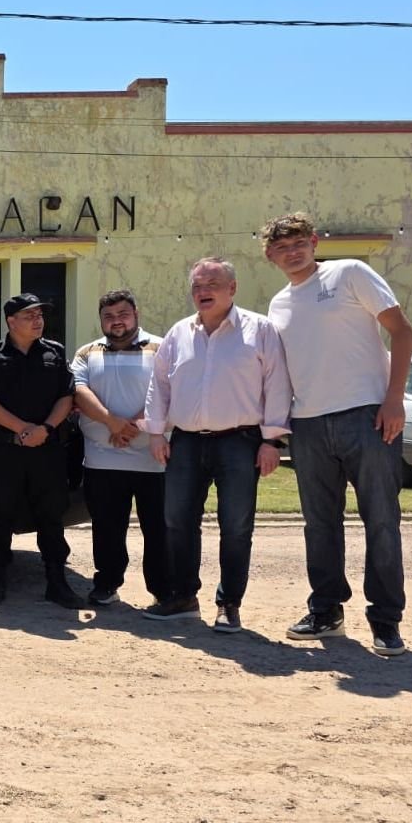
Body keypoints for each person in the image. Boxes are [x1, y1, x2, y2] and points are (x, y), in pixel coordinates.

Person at [262, 212, 412, 656]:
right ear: (271, 256)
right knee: (320, 524)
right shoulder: (278, 304)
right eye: (281, 248)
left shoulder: (350, 272)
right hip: (308, 424)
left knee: (381, 520)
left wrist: (393, 400)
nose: (292, 253)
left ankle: (385, 619)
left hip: (367, 416)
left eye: (298, 244)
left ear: (314, 242)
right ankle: (326, 610)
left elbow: (402, 332)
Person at [143, 258, 291, 632]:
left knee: (236, 526)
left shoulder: (260, 330)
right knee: (177, 521)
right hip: (186, 442)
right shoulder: (178, 333)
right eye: (197, 286)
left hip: (240, 442)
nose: (202, 292)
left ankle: (229, 603)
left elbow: (277, 385)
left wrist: (272, 440)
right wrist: (156, 432)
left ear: (232, 288)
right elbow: (160, 384)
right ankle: (182, 597)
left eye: (212, 284)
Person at [0, 294, 81, 609]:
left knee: (51, 516)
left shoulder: (54, 352)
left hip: (47, 449)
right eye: (29, 315)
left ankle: (57, 583)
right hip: (6, 450)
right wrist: (22, 429)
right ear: (11, 321)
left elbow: (66, 396)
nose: (37, 320)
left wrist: (44, 429)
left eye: (40, 315)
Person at [71, 289, 168, 608]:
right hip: (102, 458)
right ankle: (107, 584)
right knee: (107, 528)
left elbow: (168, 391)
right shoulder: (86, 352)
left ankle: (163, 590)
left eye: (123, 314)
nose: (116, 321)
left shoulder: (161, 347)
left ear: (136, 314)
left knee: (158, 529)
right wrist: (111, 422)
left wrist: (134, 425)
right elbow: (79, 390)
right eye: (108, 316)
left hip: (153, 458)